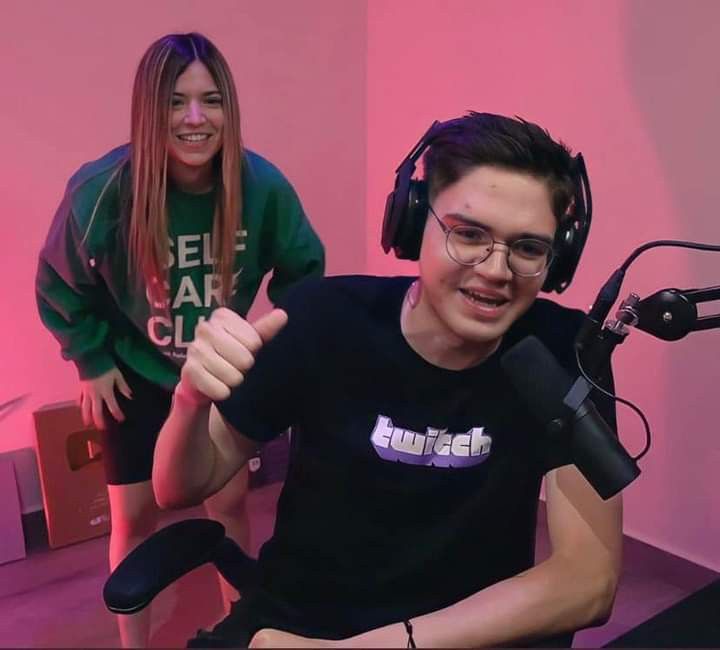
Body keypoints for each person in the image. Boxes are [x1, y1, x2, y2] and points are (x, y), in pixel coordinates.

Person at [153, 112, 622, 648]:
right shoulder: (322, 319)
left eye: (528, 247)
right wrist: (189, 400)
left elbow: (589, 583)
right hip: (296, 628)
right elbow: (177, 488)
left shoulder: (566, 350)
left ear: (555, 260)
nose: (496, 270)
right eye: (469, 235)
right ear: (411, 223)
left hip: (466, 634)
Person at [35, 32, 324, 648]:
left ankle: (238, 629)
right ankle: (133, 643)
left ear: (230, 109)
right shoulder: (100, 193)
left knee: (227, 508)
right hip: (137, 376)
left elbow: (306, 273)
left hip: (220, 376)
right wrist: (90, 360)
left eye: (211, 100)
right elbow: (56, 285)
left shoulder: (261, 187)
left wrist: (270, 354)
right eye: (176, 101)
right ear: (149, 109)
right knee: (134, 519)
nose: (196, 119)